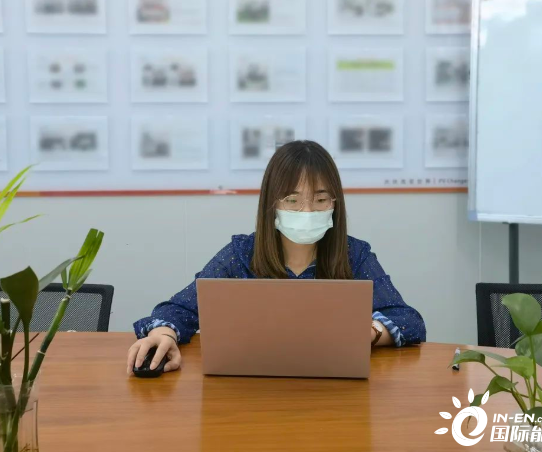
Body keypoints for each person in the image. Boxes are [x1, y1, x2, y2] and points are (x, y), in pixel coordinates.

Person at [127, 140, 426, 375]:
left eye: (321, 199)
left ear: (335, 203)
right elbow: (179, 308)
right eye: (293, 200)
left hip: (333, 389)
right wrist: (164, 333)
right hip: (250, 389)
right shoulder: (241, 254)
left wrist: (371, 332)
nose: (307, 211)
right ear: (272, 203)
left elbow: (408, 320)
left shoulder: (354, 255)